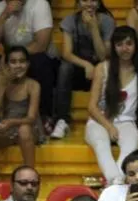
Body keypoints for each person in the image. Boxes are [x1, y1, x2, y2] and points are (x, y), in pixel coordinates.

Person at [0, 0, 58, 129]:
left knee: (40, 61)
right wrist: (4, 15)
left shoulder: (39, 4)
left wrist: (11, 55)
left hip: (39, 55)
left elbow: (41, 44)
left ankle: (44, 116)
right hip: (12, 58)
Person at [84, 26, 138, 187]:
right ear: (113, 47)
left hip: (127, 121)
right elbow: (92, 107)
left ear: (135, 46)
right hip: (99, 120)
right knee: (101, 144)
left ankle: (113, 186)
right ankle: (116, 183)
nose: (125, 49)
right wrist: (109, 126)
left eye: (129, 43)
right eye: (119, 44)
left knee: (131, 146)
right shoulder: (102, 68)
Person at [52, 0, 114, 140]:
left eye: (93, 0)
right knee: (64, 67)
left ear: (98, 3)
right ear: (79, 3)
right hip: (80, 71)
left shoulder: (106, 21)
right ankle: (62, 120)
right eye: (85, 0)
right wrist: (86, 64)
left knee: (110, 66)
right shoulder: (70, 21)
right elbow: (66, 53)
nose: (89, 4)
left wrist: (93, 28)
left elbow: (103, 56)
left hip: (100, 71)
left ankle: (109, 117)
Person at [0, 46, 42, 171]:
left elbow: (31, 118)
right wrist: (2, 85)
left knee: (24, 130)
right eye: (13, 62)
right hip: (6, 126)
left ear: (28, 64)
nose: (18, 65)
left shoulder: (33, 85)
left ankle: (30, 172)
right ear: (7, 65)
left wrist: (12, 122)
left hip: (28, 127)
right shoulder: (1, 80)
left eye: (22, 61)